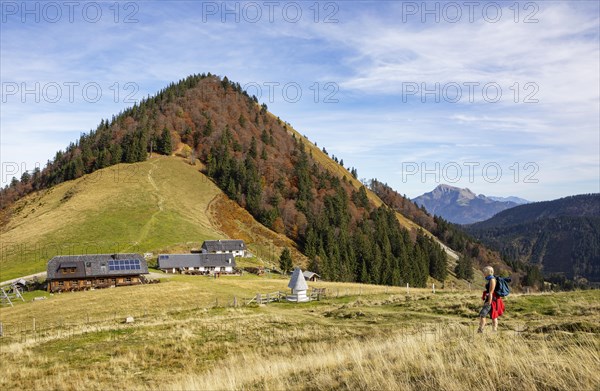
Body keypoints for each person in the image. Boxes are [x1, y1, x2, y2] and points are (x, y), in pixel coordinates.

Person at [478, 266, 505, 333]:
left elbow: (491, 292)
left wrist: (488, 302)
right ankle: (493, 331)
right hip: (493, 299)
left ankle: (481, 329)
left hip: (492, 300)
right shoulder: (491, 279)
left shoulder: (492, 280)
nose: (483, 273)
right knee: (493, 315)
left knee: (483, 314)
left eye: (484, 272)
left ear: (488, 272)